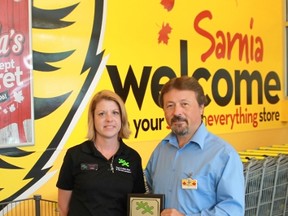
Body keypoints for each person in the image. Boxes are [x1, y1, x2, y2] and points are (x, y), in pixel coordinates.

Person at [144, 76, 245, 216]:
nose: (177, 112)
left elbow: (232, 211)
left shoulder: (223, 155)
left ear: (201, 107)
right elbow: (148, 193)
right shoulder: (160, 151)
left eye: (184, 104)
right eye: (170, 105)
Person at [56, 90, 146, 216]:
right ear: (93, 118)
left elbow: (138, 206)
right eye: (102, 114)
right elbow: (63, 207)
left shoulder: (133, 158)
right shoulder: (75, 155)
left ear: (122, 118)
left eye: (115, 113)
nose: (109, 119)